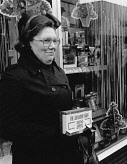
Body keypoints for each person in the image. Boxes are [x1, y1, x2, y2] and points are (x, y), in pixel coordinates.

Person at [0, 12, 81, 164]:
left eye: (55, 41)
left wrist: (77, 117)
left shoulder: (58, 70)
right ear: (28, 43)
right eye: (46, 41)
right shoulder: (14, 76)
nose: (52, 47)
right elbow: (7, 127)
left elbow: (65, 103)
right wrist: (56, 131)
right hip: (36, 157)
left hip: (67, 155)